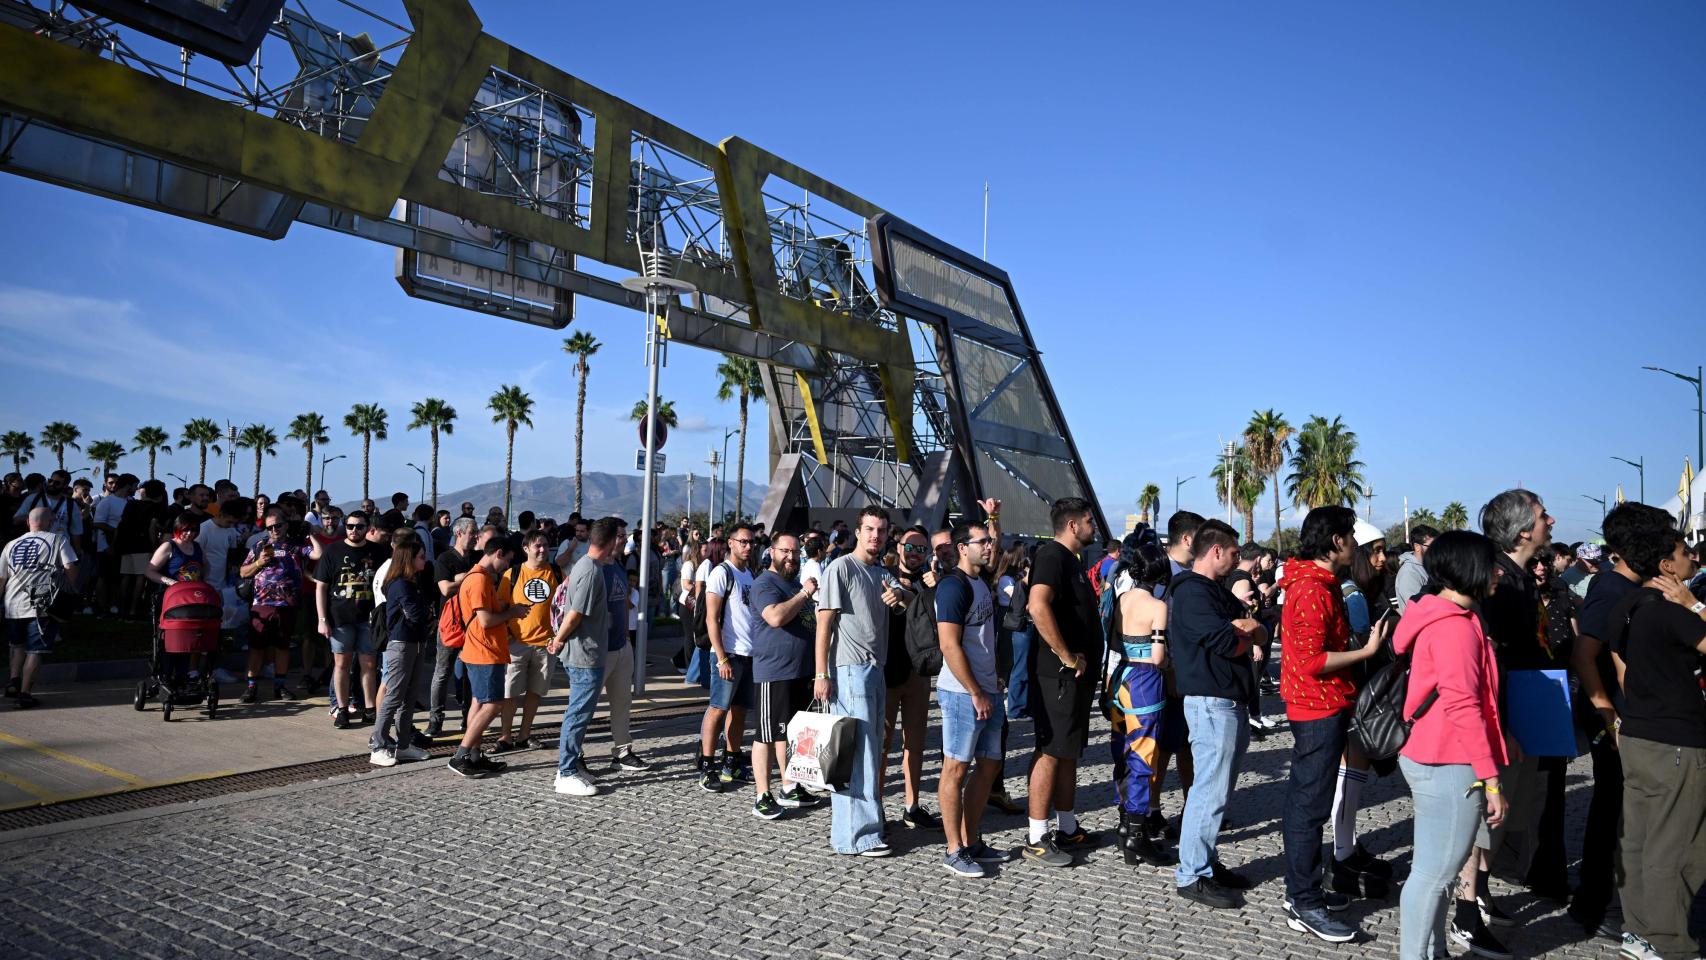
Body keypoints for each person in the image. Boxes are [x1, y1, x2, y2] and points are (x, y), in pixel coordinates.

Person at [1393, 530, 1509, 960]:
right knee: (1434, 871)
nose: (1497, 571)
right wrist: (1491, 778)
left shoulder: (1444, 615)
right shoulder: (1454, 627)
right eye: (1490, 563)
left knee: (1436, 869)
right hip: (1448, 758)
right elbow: (1464, 707)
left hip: (1437, 753)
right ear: (1468, 568)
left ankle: (1434, 948)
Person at [1278, 506, 1390, 942]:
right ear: (1337, 542)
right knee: (1309, 805)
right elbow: (1311, 661)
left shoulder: (1317, 583)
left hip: (1323, 704)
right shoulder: (1311, 588)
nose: (1357, 546)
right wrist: (1366, 652)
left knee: (1309, 801)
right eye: (1351, 536)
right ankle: (1303, 900)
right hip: (1316, 707)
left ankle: (1304, 891)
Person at [1605, 519, 1706, 960]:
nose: (1694, 558)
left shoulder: (1627, 606)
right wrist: (1696, 605)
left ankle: (1640, 930)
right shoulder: (1672, 611)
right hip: (1676, 741)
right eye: (1686, 552)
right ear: (1666, 565)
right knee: (1676, 844)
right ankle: (1670, 943)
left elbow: (1621, 663)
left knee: (1639, 839)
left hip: (1640, 733)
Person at [1565, 503, 1666, 938]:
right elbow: (1585, 655)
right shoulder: (1610, 590)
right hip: (1617, 724)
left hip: (1629, 719)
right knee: (1613, 814)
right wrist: (1610, 718)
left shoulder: (1630, 586)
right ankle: (1596, 905)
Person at [1469, 489, 1554, 943]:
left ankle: (1480, 890)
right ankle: (1470, 898)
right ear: (1524, 530)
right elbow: (1490, 666)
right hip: (1504, 720)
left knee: (1506, 815)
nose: (1552, 521)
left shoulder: (1518, 576)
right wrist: (1501, 726)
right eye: (1543, 516)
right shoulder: (1499, 582)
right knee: (1488, 814)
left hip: (1522, 712)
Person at [1167, 518, 1262, 908]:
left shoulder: (1216, 591)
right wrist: (1245, 629)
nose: (1241, 562)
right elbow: (1228, 641)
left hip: (1229, 700)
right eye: (1236, 554)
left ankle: (1204, 861)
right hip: (1210, 702)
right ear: (1216, 551)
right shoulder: (1192, 593)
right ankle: (1192, 873)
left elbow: (1260, 631)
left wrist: (1250, 625)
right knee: (1208, 791)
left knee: (1217, 792)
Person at [814, 505, 909, 857]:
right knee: (859, 755)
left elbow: (908, 596)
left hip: (875, 670)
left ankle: (862, 828)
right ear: (857, 531)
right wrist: (821, 673)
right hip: (849, 670)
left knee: (871, 749)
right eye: (870, 529)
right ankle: (858, 836)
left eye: (881, 530)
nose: (875, 535)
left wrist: (899, 594)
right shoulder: (841, 567)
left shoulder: (879, 571)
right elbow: (824, 624)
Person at [1020, 497, 1102, 867]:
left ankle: (1067, 827)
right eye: (1089, 520)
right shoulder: (1053, 556)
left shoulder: (1072, 560)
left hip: (1074, 678)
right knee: (1051, 750)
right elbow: (1037, 606)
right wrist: (1066, 656)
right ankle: (1037, 836)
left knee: (1068, 750)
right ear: (1072, 525)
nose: (1094, 526)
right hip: (1057, 677)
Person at [934, 520, 1008, 878]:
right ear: (963, 547)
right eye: (983, 542)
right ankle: (953, 849)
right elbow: (948, 644)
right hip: (964, 693)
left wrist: (994, 519)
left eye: (990, 541)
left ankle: (972, 837)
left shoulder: (982, 581)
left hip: (988, 688)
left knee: (990, 763)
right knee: (956, 767)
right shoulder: (953, 586)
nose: (990, 546)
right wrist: (976, 691)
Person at [1104, 531, 1178, 870]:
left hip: (1121, 680)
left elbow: (1117, 641)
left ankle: (1125, 822)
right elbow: (1159, 655)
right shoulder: (1158, 606)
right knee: (1144, 755)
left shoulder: (1122, 600)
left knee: (1123, 750)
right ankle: (1136, 833)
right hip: (1147, 683)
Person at [746, 533, 823, 819]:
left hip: (799, 671)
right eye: (785, 551)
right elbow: (775, 617)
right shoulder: (765, 583)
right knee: (766, 734)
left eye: (795, 552)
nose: (791, 557)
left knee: (788, 734)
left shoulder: (790, 583)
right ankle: (762, 795)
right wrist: (804, 594)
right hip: (774, 673)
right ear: (772, 552)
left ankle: (790, 786)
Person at [546, 517, 618, 796]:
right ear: (611, 541)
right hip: (583, 655)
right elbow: (574, 614)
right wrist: (558, 640)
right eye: (619, 538)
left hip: (587, 653)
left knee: (581, 713)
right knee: (577, 713)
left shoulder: (587, 566)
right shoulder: (589, 571)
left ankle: (572, 765)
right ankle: (565, 772)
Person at [448, 536, 530, 778]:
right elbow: (485, 621)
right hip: (484, 650)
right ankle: (462, 755)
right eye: (508, 561)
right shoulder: (480, 581)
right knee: (493, 703)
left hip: (480, 649)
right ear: (499, 553)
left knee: (479, 702)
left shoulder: (478, 577)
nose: (507, 566)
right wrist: (512, 612)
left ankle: (473, 755)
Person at [697, 521, 758, 791]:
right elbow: (711, 619)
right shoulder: (722, 573)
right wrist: (721, 657)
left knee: (740, 711)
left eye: (751, 542)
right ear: (730, 543)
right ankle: (707, 765)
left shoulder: (750, 575)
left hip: (748, 653)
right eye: (742, 541)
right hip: (728, 654)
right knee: (718, 709)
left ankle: (731, 760)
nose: (747, 546)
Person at [883, 526, 937, 830]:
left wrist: (932, 589)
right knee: (882, 745)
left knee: (914, 744)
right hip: (887, 670)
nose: (914, 554)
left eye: (921, 549)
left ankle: (912, 805)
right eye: (910, 547)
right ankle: (875, 806)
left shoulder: (932, 583)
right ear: (898, 546)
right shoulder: (881, 574)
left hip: (918, 672)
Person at [314, 510, 388, 729]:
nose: (354, 530)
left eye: (359, 526)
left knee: (369, 665)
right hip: (339, 618)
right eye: (350, 526)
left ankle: (369, 709)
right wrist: (322, 618)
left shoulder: (378, 552)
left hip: (369, 619)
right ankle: (342, 709)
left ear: (368, 528)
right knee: (341, 664)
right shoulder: (333, 550)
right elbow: (321, 587)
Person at [1, 507, 78, 707]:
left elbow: (2, 578)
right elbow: (70, 566)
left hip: (12, 603)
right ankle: (25, 693)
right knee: (35, 651)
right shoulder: (58, 540)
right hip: (41, 604)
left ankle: (13, 682)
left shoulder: (10, 545)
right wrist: (69, 590)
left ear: (28, 522)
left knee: (16, 646)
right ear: (50, 522)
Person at [237, 506, 314, 703]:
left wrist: (311, 533)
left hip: (287, 604)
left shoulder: (296, 545)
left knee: (283, 646)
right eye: (269, 527)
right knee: (257, 647)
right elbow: (243, 572)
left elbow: (318, 554)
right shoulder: (259, 546)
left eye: (278, 526)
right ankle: (251, 687)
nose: (274, 530)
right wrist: (259, 563)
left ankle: (279, 686)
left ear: (286, 525)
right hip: (262, 603)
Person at [493, 530, 560, 753]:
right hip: (516, 644)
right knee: (509, 692)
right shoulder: (511, 575)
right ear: (526, 548)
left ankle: (524, 735)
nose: (542, 550)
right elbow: (500, 606)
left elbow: (564, 607)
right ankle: (505, 736)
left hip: (546, 645)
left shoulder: (557, 573)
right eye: (537, 546)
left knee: (535, 692)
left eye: (545, 545)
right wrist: (505, 631)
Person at [369, 537, 434, 766]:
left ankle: (403, 745)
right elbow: (418, 614)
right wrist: (424, 614)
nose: (424, 560)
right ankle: (378, 745)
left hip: (416, 643)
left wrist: (424, 614)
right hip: (400, 644)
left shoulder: (413, 582)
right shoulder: (399, 584)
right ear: (409, 558)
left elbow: (422, 613)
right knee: (393, 696)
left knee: (409, 697)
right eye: (421, 556)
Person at [426, 517, 478, 737]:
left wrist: (461, 579)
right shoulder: (445, 559)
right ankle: (435, 720)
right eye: (472, 532)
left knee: (469, 674)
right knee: (442, 672)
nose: (476, 537)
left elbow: (489, 578)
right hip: (450, 624)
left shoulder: (477, 557)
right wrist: (468, 578)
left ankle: (468, 719)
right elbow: (445, 589)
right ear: (459, 533)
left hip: (473, 625)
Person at [1394, 524, 1437, 613]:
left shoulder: (1429, 566)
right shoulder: (1409, 573)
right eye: (1432, 546)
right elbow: (1418, 609)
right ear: (1417, 547)